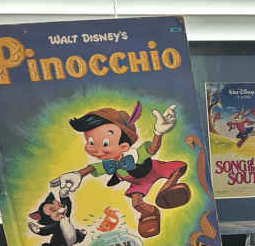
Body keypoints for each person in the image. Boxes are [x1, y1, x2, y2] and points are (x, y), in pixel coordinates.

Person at [61, 101, 188, 238]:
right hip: (138, 183)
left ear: (124, 146)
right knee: (136, 203)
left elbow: (152, 149)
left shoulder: (136, 154)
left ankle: (167, 190)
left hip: (154, 169)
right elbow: (93, 168)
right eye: (90, 142)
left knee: (177, 169)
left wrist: (158, 132)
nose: (93, 148)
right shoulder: (111, 164)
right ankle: (150, 213)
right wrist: (78, 174)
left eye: (104, 143)